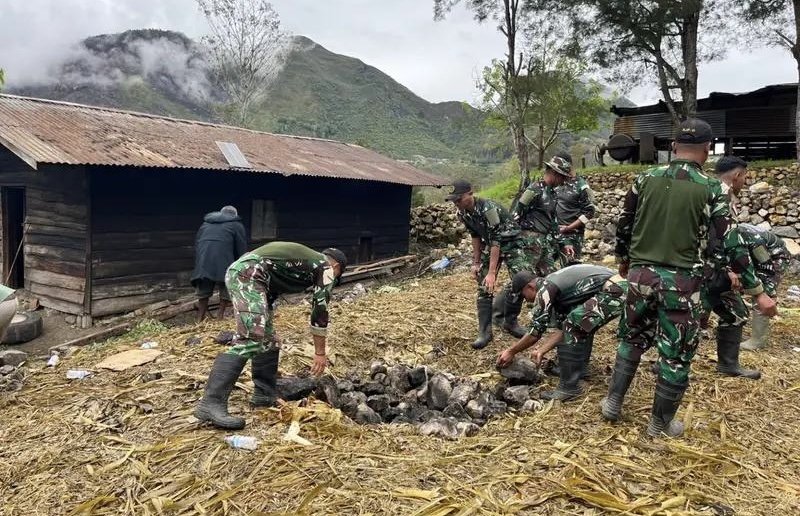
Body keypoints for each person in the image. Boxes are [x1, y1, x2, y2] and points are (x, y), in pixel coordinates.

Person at [606, 118, 777, 438]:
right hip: (681, 285)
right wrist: (757, 290)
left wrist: (624, 260)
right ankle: (659, 424)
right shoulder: (712, 189)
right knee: (675, 355)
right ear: (707, 150)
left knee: (632, 338)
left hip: (641, 276)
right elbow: (731, 244)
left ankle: (613, 401)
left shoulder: (645, 178)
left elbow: (624, 224)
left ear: (673, 148)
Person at [195, 242, 347, 429]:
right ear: (337, 267)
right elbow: (320, 312)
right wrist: (320, 353)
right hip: (248, 274)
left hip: (252, 274)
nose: (332, 281)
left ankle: (264, 394)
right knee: (251, 338)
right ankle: (211, 403)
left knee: (270, 339)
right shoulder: (325, 267)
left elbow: (272, 283)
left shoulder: (304, 264)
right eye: (336, 277)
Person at [701, 157, 789, 378]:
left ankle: (729, 364)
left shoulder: (713, 191)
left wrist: (758, 288)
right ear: (737, 175)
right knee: (691, 312)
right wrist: (758, 292)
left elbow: (766, 267)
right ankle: (669, 364)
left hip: (720, 266)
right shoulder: (719, 194)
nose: (746, 182)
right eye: (746, 177)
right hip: (706, 267)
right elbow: (719, 239)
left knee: (735, 311)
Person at [496, 265, 619, 400]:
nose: (525, 300)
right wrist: (542, 351)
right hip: (617, 286)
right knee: (579, 322)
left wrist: (511, 351)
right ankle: (579, 369)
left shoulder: (546, 290)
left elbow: (535, 332)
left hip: (616, 289)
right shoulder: (558, 288)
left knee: (575, 325)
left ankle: (569, 388)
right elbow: (563, 328)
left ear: (530, 287)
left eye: (523, 295)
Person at [446, 179, 536, 346]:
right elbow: (475, 236)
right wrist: (476, 262)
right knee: (483, 283)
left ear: (470, 194)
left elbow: (497, 240)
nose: (456, 203)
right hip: (491, 245)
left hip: (511, 243)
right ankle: (485, 333)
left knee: (521, 279)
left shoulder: (488, 208)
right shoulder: (463, 212)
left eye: (459, 199)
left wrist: (492, 273)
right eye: (454, 200)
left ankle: (510, 322)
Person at [511, 156, 570, 276]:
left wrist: (563, 243)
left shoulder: (552, 193)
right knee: (526, 278)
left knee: (550, 277)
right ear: (554, 173)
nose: (564, 181)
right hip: (529, 241)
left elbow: (553, 221)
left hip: (544, 242)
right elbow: (517, 215)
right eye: (562, 177)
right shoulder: (534, 190)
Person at [191, 205, 247, 322]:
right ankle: (220, 317)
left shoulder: (205, 224)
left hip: (204, 260)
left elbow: (197, 244)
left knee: (203, 291)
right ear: (234, 216)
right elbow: (241, 248)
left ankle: (199, 320)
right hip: (225, 261)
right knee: (226, 285)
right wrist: (240, 265)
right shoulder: (236, 225)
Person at [554, 152, 597, 267]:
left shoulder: (581, 185)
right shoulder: (558, 182)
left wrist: (569, 227)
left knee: (570, 270)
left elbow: (590, 211)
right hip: (554, 233)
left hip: (572, 236)